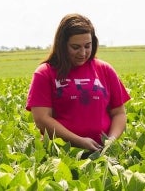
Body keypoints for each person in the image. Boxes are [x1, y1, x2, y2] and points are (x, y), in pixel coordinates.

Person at [26, 13, 130, 151]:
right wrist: (78, 141)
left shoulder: (105, 70)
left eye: (87, 46)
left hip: (102, 152)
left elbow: (119, 113)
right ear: (62, 45)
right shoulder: (45, 73)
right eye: (75, 47)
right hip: (61, 152)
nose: (82, 53)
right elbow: (42, 120)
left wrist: (110, 141)